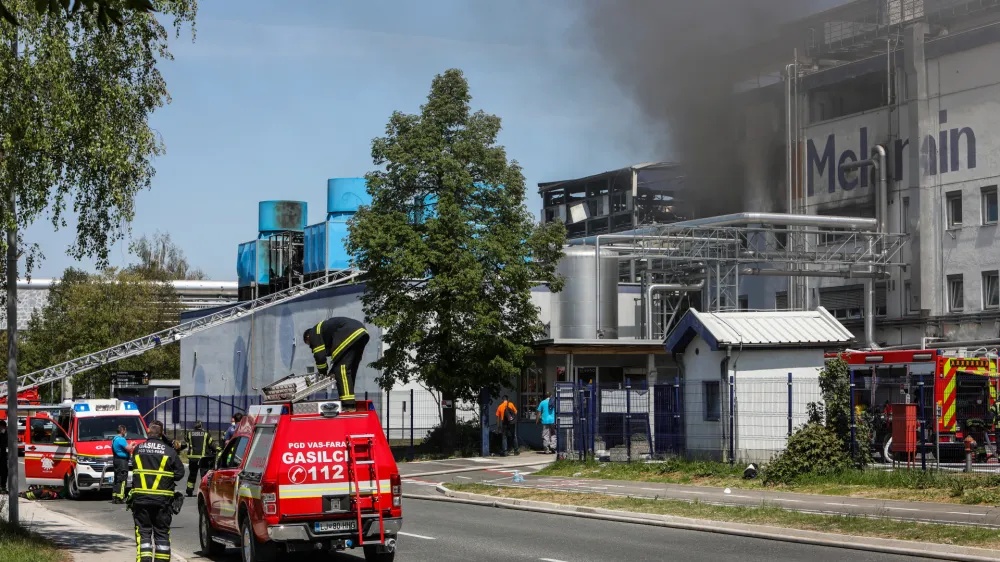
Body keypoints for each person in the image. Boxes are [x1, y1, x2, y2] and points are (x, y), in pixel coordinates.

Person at [129, 420, 184, 562]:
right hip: (163, 502)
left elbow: (133, 467)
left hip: (141, 500)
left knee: (144, 534)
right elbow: (180, 473)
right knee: (162, 535)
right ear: (161, 433)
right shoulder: (169, 451)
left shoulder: (138, 449)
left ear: (148, 432)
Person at [303, 317, 370, 404]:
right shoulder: (326, 331)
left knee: (341, 370)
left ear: (308, 337)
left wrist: (323, 373)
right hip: (361, 334)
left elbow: (320, 356)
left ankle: (348, 404)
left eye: (309, 343)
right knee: (349, 371)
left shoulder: (313, 333)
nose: (311, 345)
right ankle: (350, 399)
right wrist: (332, 370)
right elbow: (338, 355)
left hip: (348, 334)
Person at [181, 420, 217, 497]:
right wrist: (216, 451)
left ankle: (189, 490)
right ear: (201, 426)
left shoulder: (189, 433)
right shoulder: (206, 434)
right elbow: (212, 445)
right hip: (203, 458)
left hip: (193, 458)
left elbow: (185, 441)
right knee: (203, 476)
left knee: (192, 474)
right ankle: (204, 491)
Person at [111, 424, 131, 504]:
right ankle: (120, 497)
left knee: (117, 479)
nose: (125, 432)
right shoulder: (121, 439)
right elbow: (129, 449)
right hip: (122, 461)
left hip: (116, 460)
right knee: (122, 479)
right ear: (122, 431)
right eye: (125, 430)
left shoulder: (114, 438)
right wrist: (132, 444)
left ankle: (115, 496)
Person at [0, 420, 8, 494]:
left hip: (3, 456)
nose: (2, 429)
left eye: (2, 427)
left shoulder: (6, 434)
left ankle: (3, 487)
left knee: (4, 472)